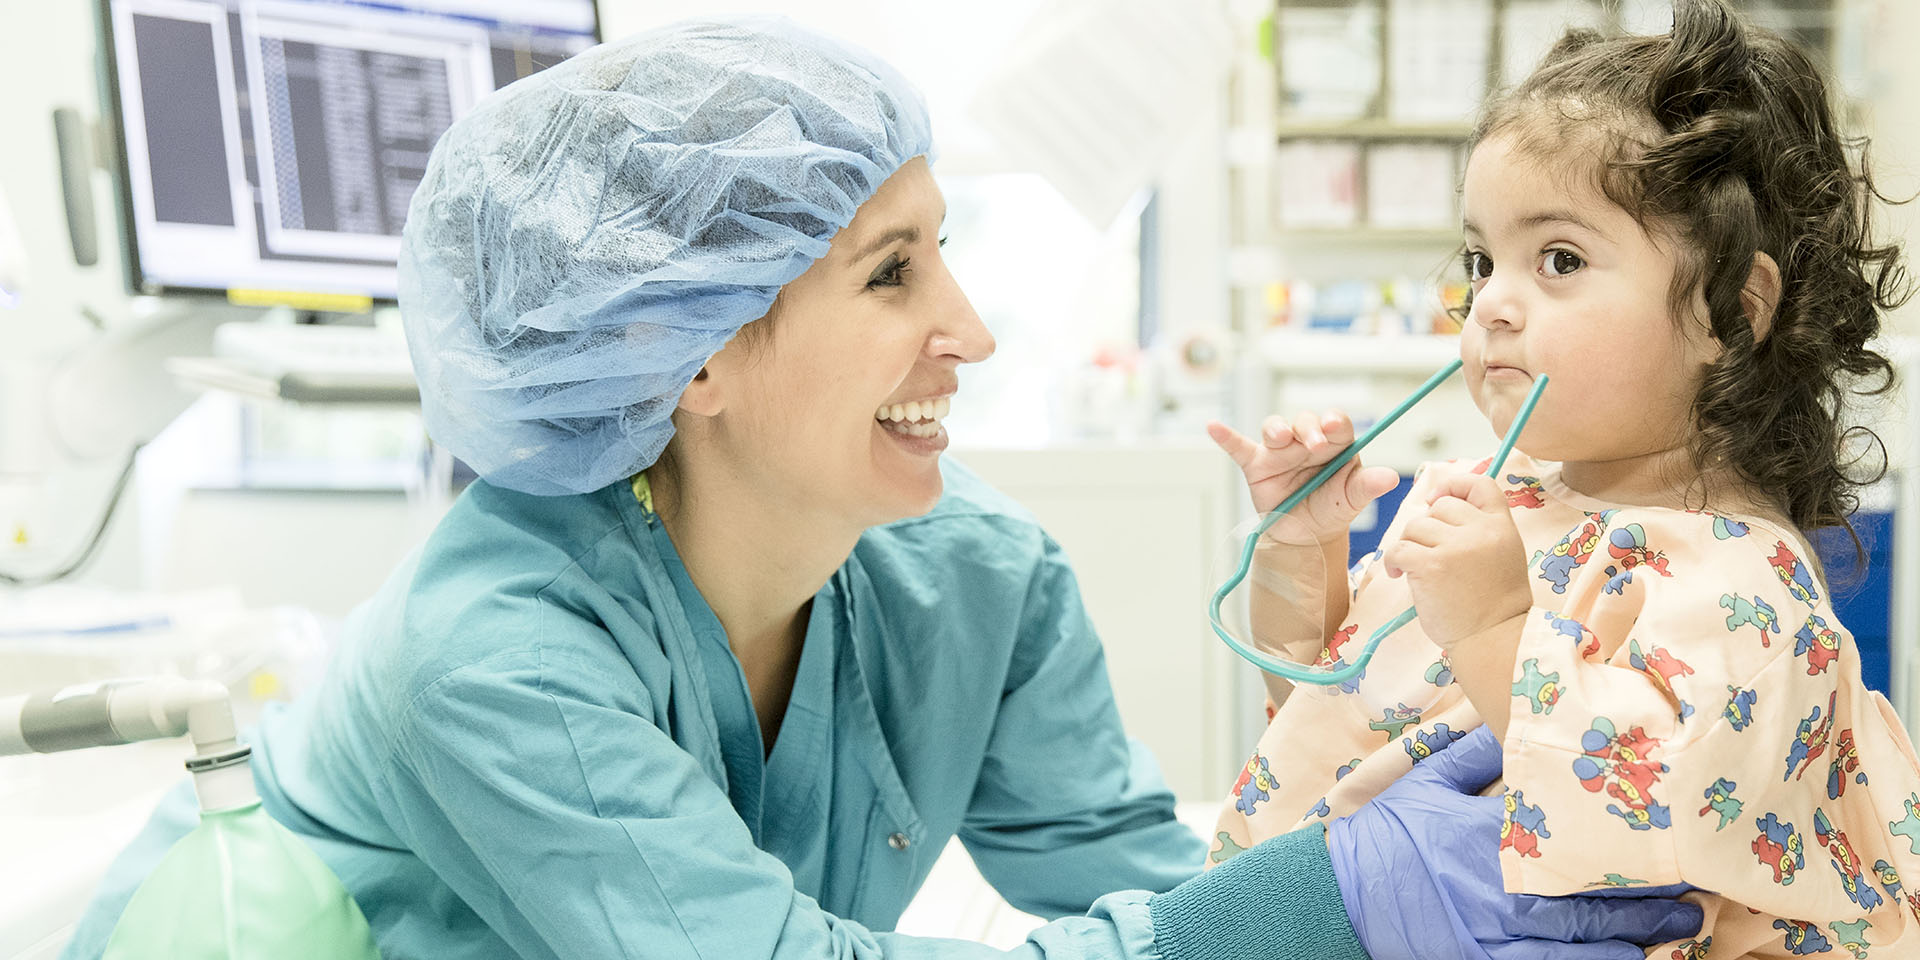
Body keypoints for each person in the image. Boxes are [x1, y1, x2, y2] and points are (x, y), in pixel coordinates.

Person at [63, 16, 1701, 960]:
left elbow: (1144, 895)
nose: (971, 332)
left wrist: (1340, 839)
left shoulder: (976, 580)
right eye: (890, 276)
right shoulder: (490, 653)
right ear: (691, 351)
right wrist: (1324, 907)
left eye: (950, 258)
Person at [1206, 1, 1918, 956]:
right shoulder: (1504, 505)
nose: (1492, 301)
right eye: (1480, 258)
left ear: (1732, 314)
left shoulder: (1746, 589)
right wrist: (1303, 548)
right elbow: (1329, 700)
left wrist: (1499, 629)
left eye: (1560, 259)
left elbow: (1646, 825)